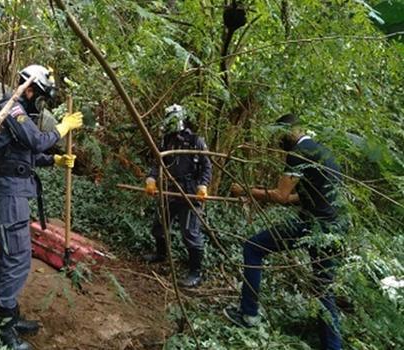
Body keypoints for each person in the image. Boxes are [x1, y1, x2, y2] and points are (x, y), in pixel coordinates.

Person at [224, 113, 346, 350]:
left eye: (279, 135)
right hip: (335, 230)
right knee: (323, 289)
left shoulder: (298, 154)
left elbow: (280, 195)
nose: (278, 141)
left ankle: (248, 315)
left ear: (289, 131)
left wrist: (247, 191)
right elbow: (309, 195)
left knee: (253, 247)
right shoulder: (324, 153)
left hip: (312, 226)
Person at [0, 64, 83, 350]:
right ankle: (3, 329)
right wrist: (62, 128)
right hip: (8, 196)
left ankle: (9, 318)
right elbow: (36, 141)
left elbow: (23, 155)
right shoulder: (11, 109)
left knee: (15, 256)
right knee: (15, 258)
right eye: (39, 95)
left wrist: (54, 161)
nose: (39, 102)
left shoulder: (18, 112)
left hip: (14, 194)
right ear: (29, 89)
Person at [143, 104, 212, 288]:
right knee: (159, 224)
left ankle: (196, 272)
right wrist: (151, 178)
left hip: (190, 192)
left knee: (190, 232)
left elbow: (207, 166)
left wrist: (203, 185)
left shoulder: (196, 141)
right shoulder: (166, 141)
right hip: (170, 189)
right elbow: (158, 162)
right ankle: (161, 254)